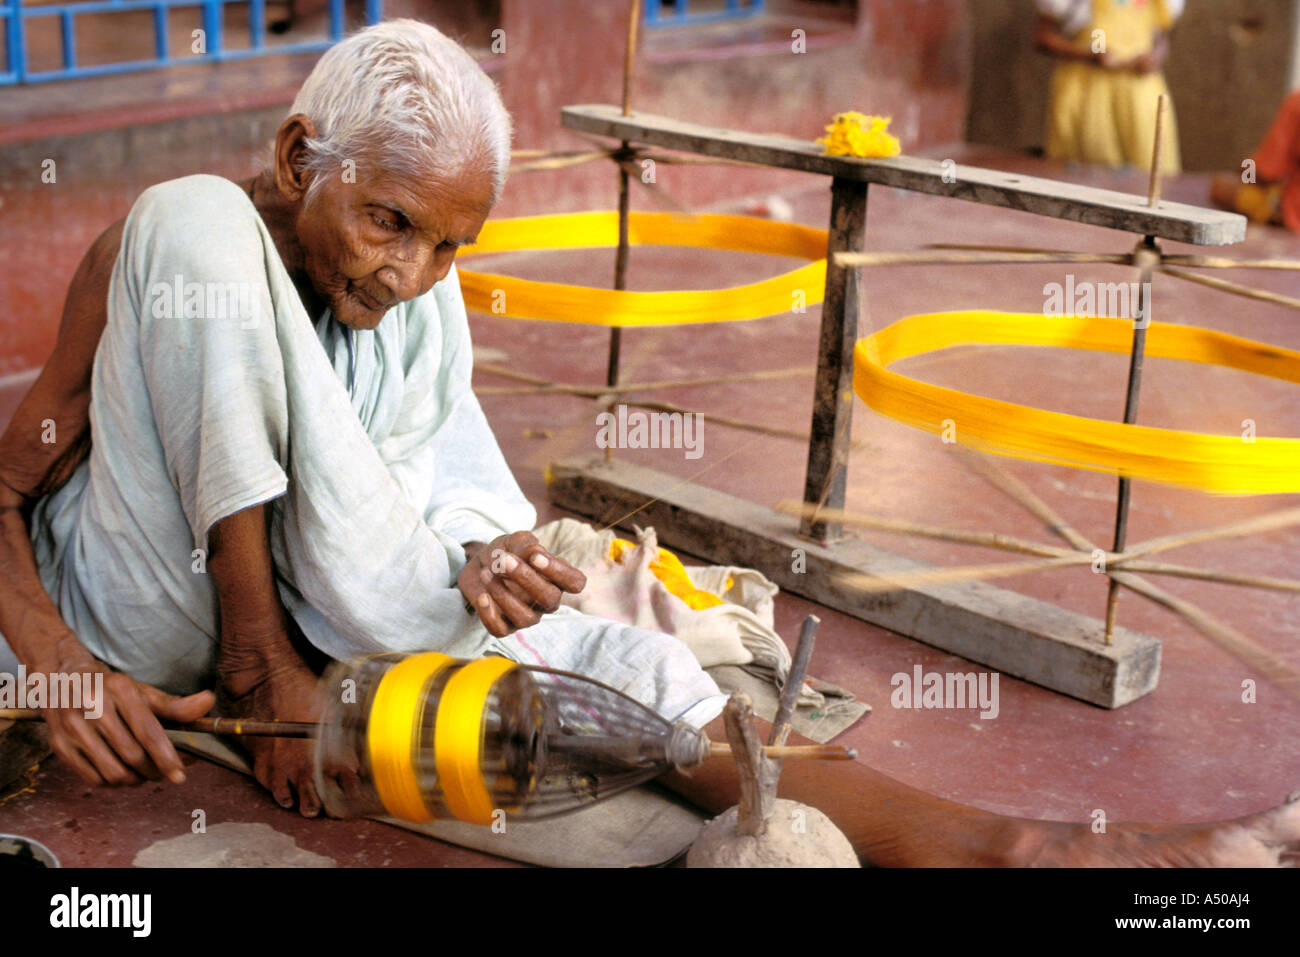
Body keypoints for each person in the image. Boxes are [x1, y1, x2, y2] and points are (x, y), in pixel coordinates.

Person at [1, 19, 1297, 867]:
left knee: (633, 690)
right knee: (195, 226)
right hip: (141, 619)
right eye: (390, 221)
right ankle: (257, 666)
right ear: (302, 156)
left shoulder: (416, 287)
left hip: (339, 619)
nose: (412, 273)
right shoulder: (162, 256)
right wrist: (59, 671)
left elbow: (435, 474)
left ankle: (1031, 854)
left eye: (452, 241)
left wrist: (480, 548)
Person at [1034, 0, 1182, 173]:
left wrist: (1155, 57)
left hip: (1140, 90)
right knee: (1088, 166)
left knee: (1150, 163)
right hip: (1088, 90)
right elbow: (1043, 37)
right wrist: (1090, 55)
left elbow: (1161, 36)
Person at [1210, 89, 1300, 231]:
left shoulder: (1297, 102)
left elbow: (1265, 173)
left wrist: (1244, 170)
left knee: (1222, 186)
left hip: (1292, 211)